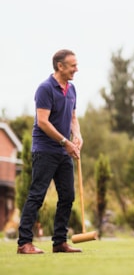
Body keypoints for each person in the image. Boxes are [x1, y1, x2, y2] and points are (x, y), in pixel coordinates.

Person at [17, 49, 83, 254]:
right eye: (72, 65)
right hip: (45, 150)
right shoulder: (45, 89)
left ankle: (59, 242)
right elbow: (43, 122)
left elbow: (73, 118)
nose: (76, 69)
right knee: (37, 196)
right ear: (60, 66)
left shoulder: (71, 89)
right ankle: (24, 243)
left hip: (64, 152)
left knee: (67, 196)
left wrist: (78, 135)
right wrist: (65, 142)